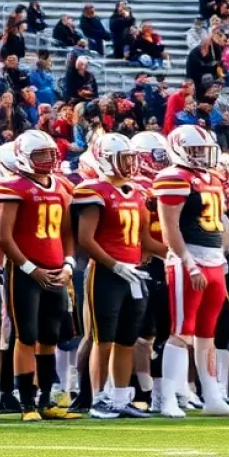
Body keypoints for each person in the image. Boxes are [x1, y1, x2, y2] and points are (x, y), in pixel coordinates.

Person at [75, 133, 166, 419]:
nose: (129, 163)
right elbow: (85, 239)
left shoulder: (137, 191)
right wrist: (114, 265)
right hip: (106, 272)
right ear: (105, 159)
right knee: (104, 338)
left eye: (130, 158)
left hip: (134, 273)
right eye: (122, 158)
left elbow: (143, 241)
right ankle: (99, 398)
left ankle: (119, 398)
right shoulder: (93, 190)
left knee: (127, 339)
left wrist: (176, 255)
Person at [154, 125, 229, 416]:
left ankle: (213, 397)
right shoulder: (174, 178)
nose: (201, 156)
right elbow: (170, 228)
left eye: (203, 150)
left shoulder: (210, 177)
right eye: (194, 151)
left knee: (208, 333)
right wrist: (188, 262)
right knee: (182, 331)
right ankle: (168, 398)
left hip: (214, 259)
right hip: (188, 260)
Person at [0, 130, 79, 422]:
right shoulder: (13, 186)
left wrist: (68, 265)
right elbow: (3, 236)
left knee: (50, 336)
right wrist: (31, 269)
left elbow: (67, 232)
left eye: (50, 153)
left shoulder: (61, 187)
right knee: (26, 335)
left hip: (55, 269)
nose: (48, 159)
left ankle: (46, 399)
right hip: (25, 271)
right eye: (40, 154)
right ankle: (27, 403)